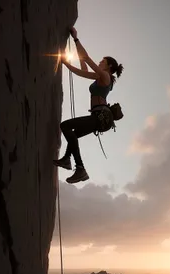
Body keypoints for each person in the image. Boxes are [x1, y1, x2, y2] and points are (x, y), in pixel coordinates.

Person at [53, 27, 124, 184]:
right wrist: (65, 63)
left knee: (65, 126)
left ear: (109, 66)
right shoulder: (100, 77)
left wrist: (76, 39)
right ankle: (67, 160)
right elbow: (82, 70)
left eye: (102, 61)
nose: (99, 62)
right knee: (74, 135)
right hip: (98, 117)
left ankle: (80, 168)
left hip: (100, 116)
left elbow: (87, 58)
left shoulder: (105, 76)